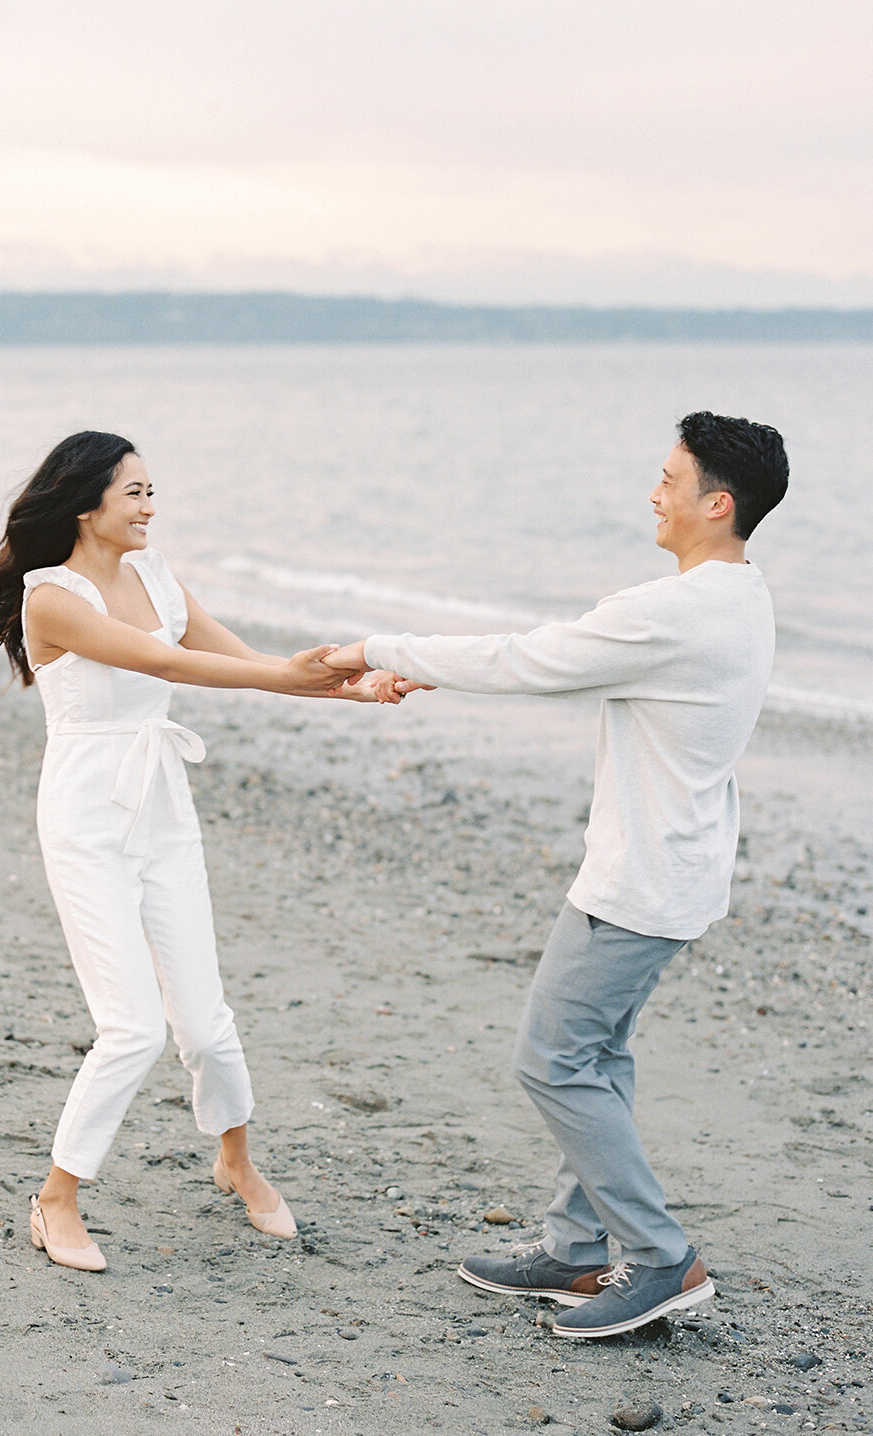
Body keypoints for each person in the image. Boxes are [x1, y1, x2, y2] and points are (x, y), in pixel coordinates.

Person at [325, 412, 788, 1338]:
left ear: (717, 503)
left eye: (668, 479)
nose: (653, 494)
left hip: (640, 882)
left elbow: (524, 660)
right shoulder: (742, 596)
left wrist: (384, 651)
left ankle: (660, 1259)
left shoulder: (677, 612)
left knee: (550, 1058)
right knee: (596, 1055)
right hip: (677, 870)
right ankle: (576, 1250)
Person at [0, 430, 395, 1271]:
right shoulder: (52, 598)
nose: (150, 507)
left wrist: (355, 685)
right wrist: (288, 677)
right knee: (130, 1027)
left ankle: (235, 1161)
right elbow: (170, 660)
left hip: (162, 807)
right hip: (87, 816)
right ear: (86, 501)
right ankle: (56, 1199)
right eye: (134, 493)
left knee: (203, 1021)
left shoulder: (157, 576)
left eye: (151, 491)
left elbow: (248, 659)